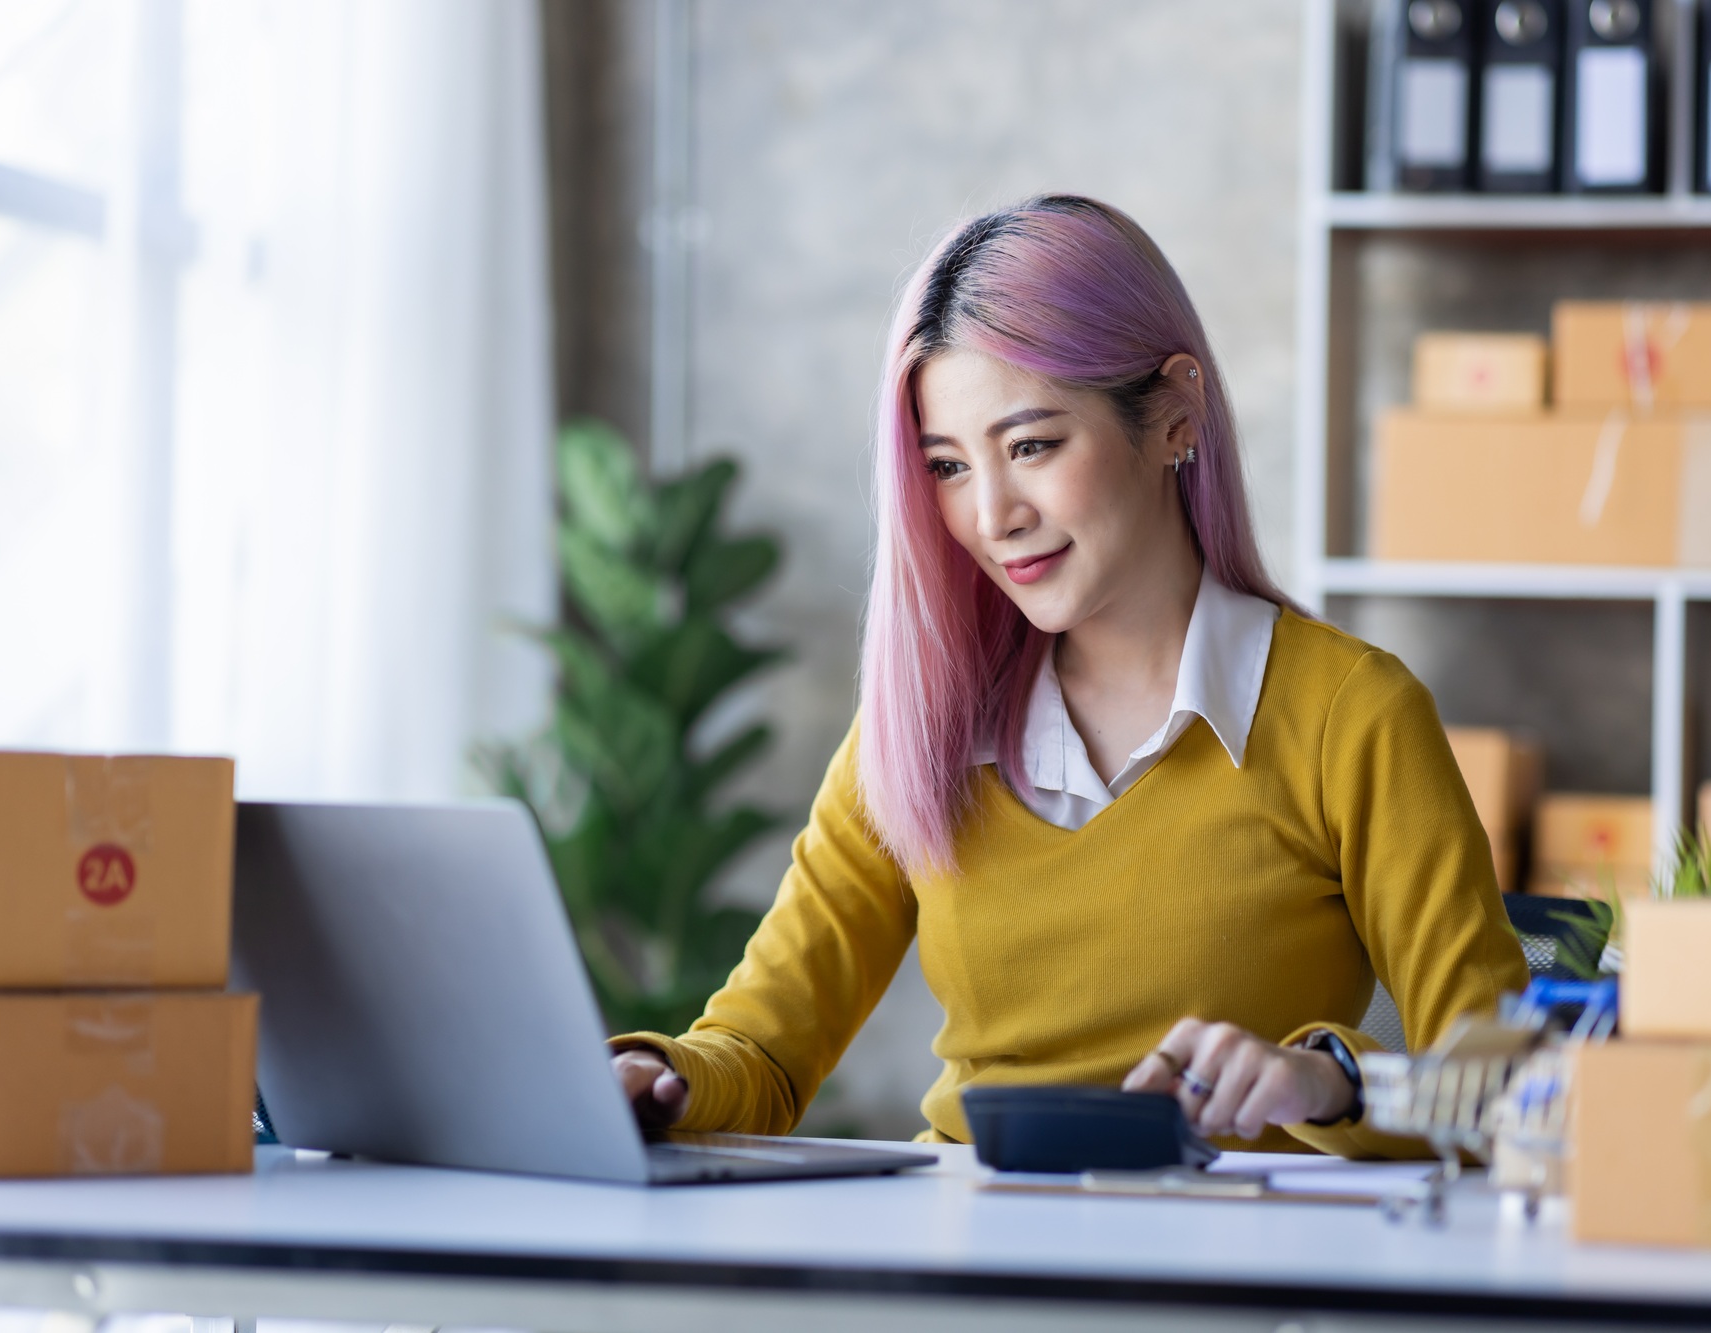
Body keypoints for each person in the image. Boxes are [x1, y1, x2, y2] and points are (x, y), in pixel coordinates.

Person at [608, 194, 1528, 1156]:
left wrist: (1323, 1080)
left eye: (1032, 446)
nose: (992, 514)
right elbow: (759, 1051)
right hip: (970, 1274)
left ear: (1175, 415)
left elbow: (1495, 1081)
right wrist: (648, 1081)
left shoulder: (1346, 714)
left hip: (1229, 1282)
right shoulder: (926, 723)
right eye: (949, 467)